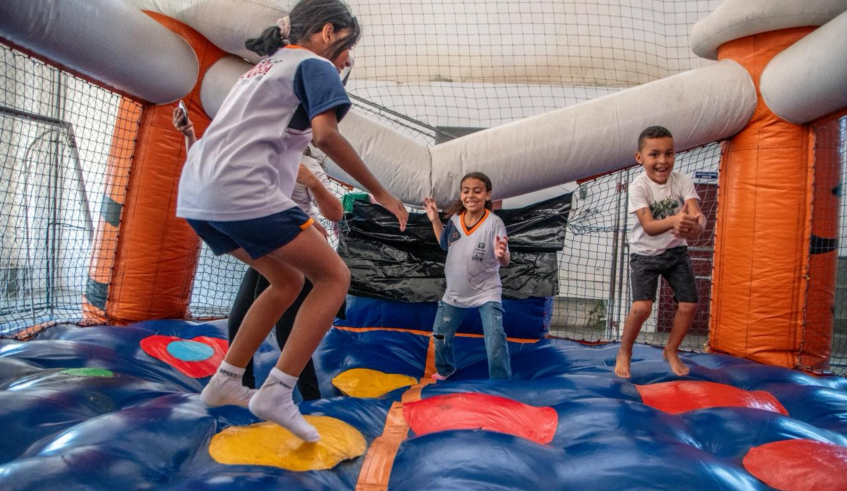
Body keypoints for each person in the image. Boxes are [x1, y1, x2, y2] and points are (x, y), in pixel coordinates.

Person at [175, 0, 408, 443]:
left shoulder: (262, 69)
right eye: (346, 52)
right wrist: (381, 192)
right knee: (334, 278)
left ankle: (227, 379)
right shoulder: (312, 65)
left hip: (197, 194)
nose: (345, 63)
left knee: (286, 281)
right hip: (242, 191)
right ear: (327, 31)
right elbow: (326, 135)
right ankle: (278, 391)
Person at [173, 107, 343, 401]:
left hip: (294, 252)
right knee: (238, 318)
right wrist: (190, 135)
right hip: (267, 247)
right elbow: (207, 174)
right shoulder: (258, 158)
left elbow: (334, 212)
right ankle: (240, 386)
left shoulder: (307, 166)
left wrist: (312, 183)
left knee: (288, 328)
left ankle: (311, 398)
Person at [614, 125, 705, 379]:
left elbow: (697, 215)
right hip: (645, 254)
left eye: (669, 153)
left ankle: (671, 350)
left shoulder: (682, 181)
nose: (663, 161)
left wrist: (695, 226)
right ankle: (625, 350)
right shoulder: (638, 187)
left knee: (689, 304)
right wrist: (676, 221)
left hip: (676, 253)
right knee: (642, 307)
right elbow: (649, 226)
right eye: (654, 154)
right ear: (640, 157)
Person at [422, 172, 512, 380]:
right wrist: (435, 219)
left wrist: (501, 254)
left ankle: (500, 382)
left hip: (486, 292)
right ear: (461, 195)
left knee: (495, 337)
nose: (471, 195)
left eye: (477, 191)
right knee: (440, 335)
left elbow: (505, 260)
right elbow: (445, 243)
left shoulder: (493, 223)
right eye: (466, 191)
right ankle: (446, 369)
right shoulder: (455, 220)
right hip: (455, 293)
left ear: (488, 195)